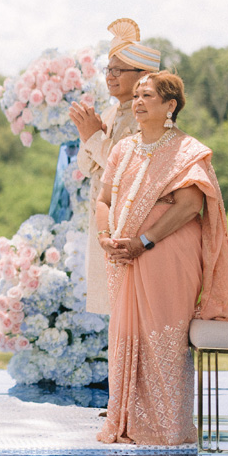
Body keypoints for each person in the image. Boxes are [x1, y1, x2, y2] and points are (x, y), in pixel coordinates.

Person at [95, 71, 228, 446]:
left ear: (171, 105)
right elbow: (103, 200)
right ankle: (125, 422)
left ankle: (166, 427)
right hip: (122, 258)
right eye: (138, 96)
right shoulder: (122, 149)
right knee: (125, 335)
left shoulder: (186, 151)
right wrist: (105, 237)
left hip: (168, 254)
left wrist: (144, 241)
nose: (139, 102)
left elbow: (191, 205)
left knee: (163, 333)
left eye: (148, 96)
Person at [68, 18, 155, 315]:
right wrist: (89, 137)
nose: (110, 76)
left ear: (143, 75)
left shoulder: (150, 114)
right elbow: (85, 165)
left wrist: (93, 137)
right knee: (113, 311)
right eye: (109, 69)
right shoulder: (110, 110)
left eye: (119, 70)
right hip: (103, 222)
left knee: (132, 310)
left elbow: (127, 168)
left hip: (131, 228)